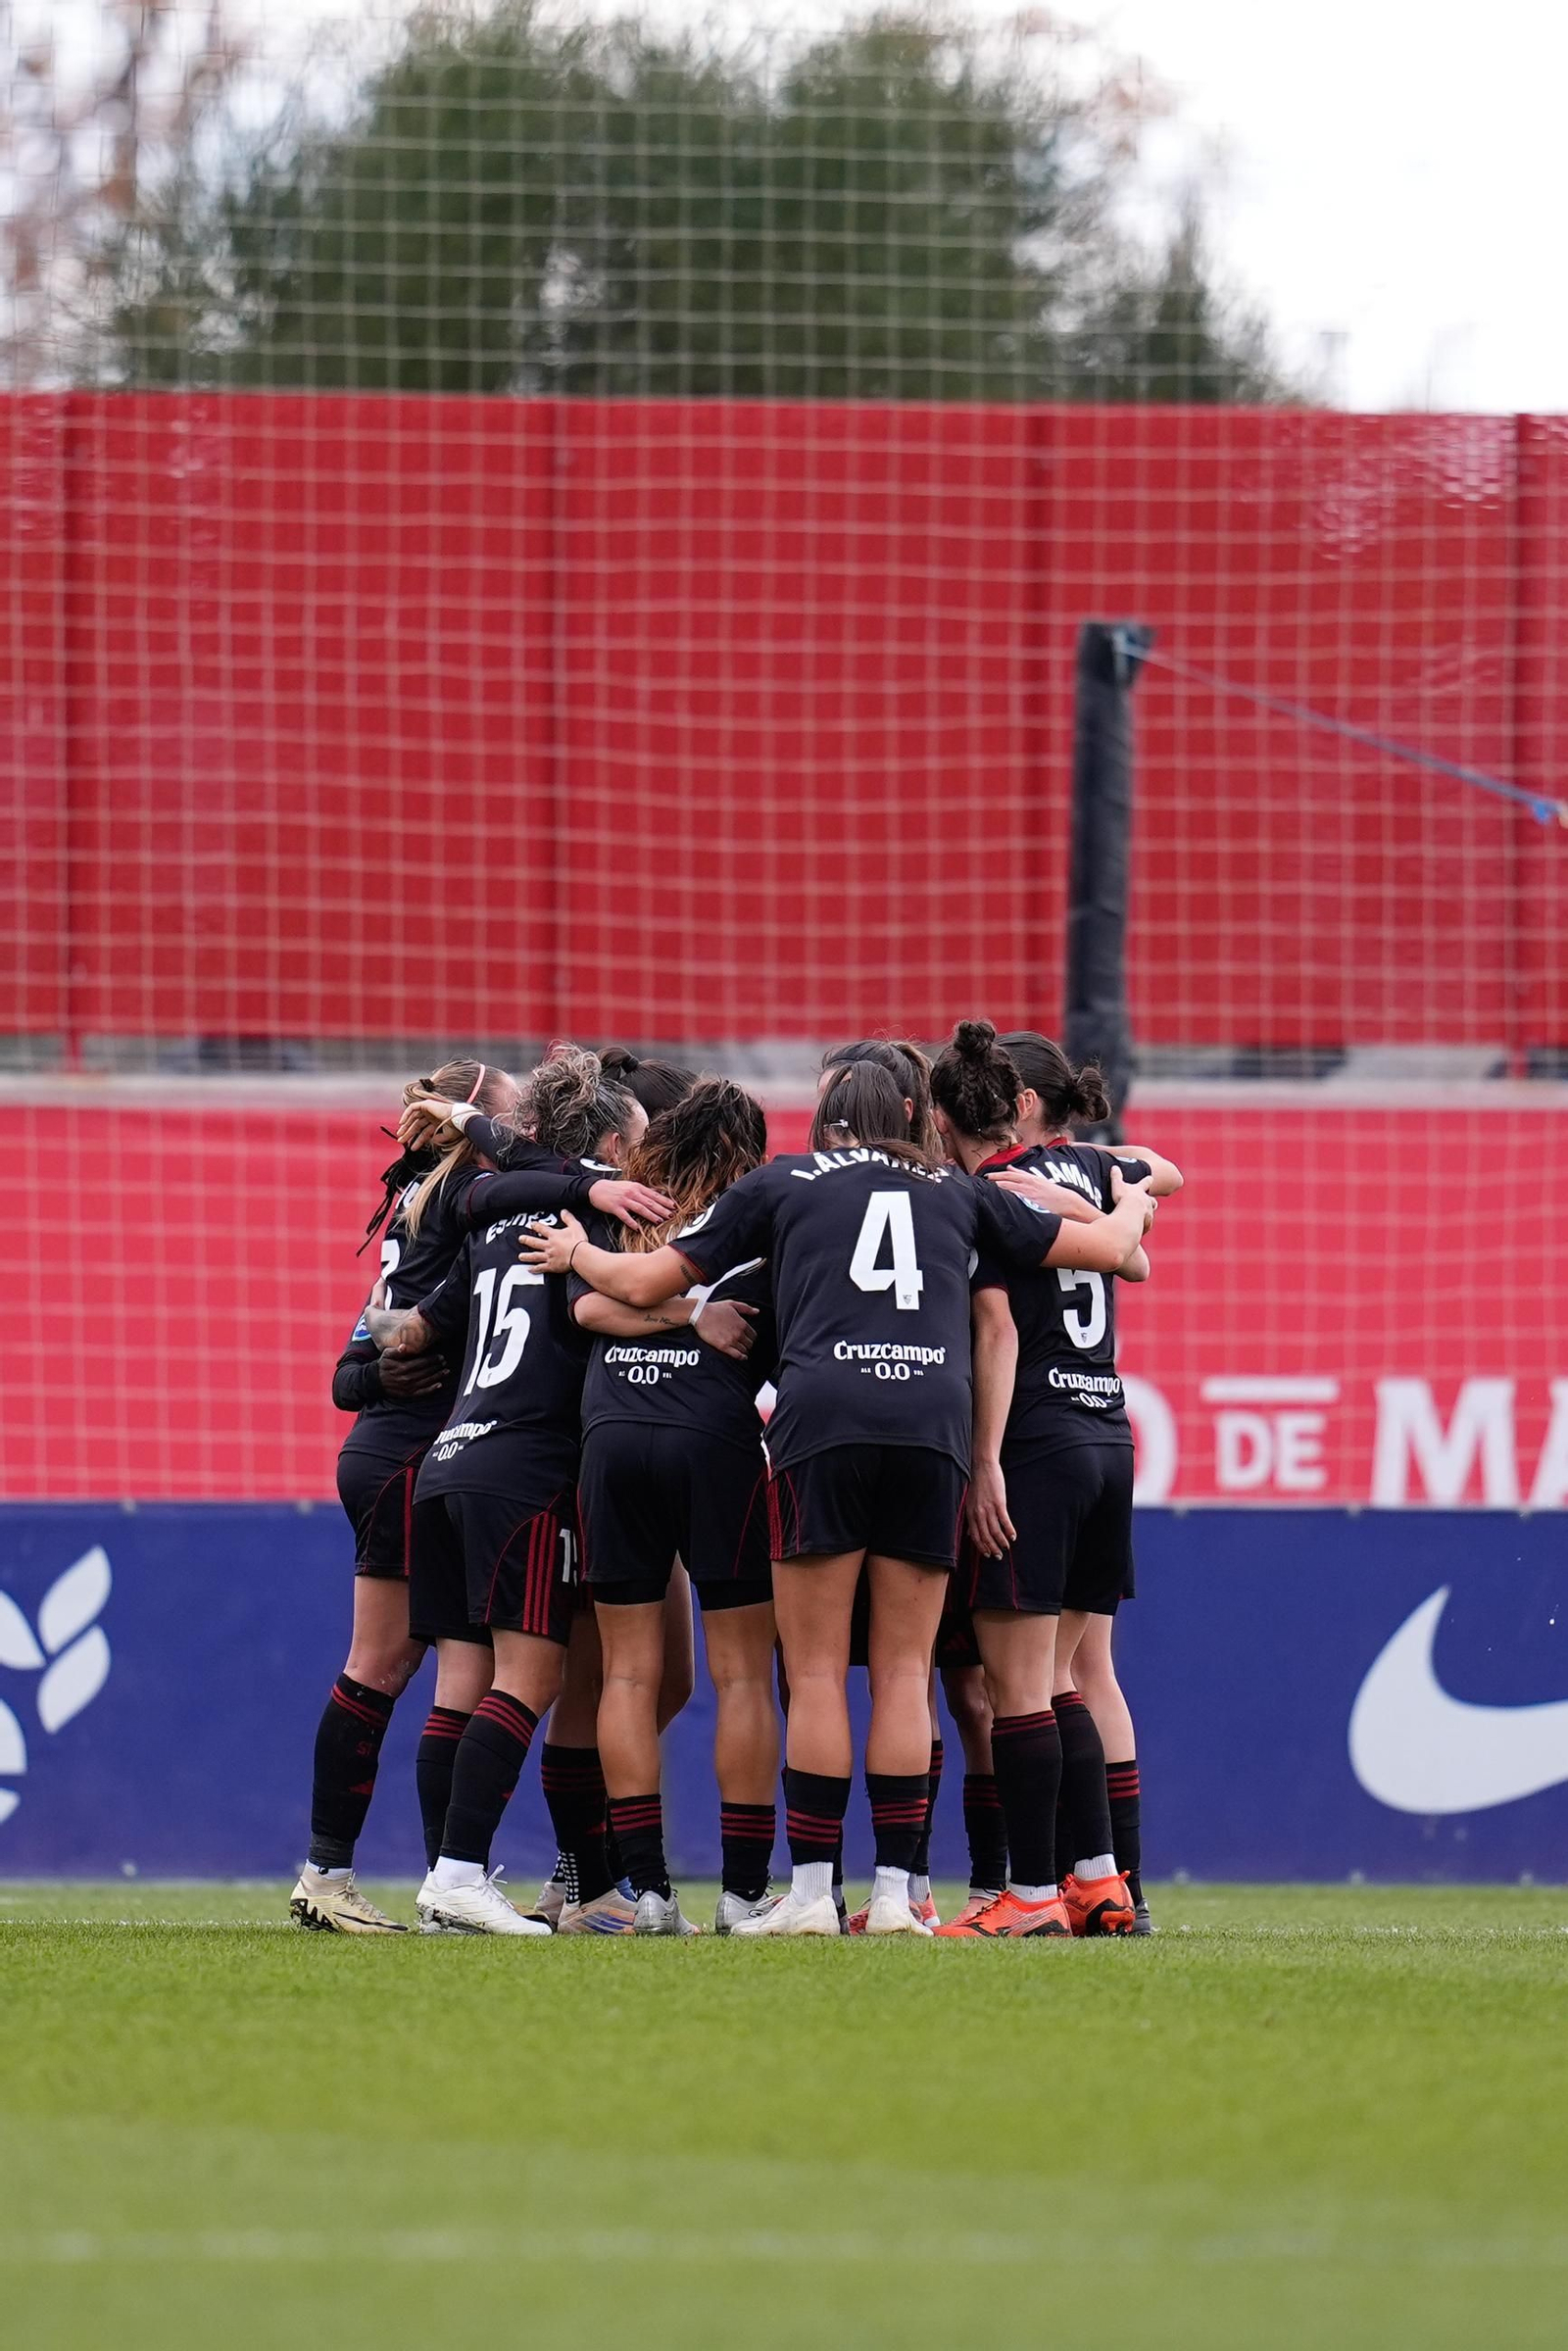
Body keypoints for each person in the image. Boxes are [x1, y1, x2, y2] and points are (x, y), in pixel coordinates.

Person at [521, 1054, 1153, 1937]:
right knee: (905, 1671)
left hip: (821, 1425)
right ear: (908, 1111)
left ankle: (813, 1891)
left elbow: (641, 1284)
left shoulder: (784, 1183)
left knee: (815, 1672)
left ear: (826, 1125)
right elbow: (1111, 1256)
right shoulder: (958, 1189)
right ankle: (900, 1894)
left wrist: (576, 1251)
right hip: (933, 1428)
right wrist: (1131, 1194)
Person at [292, 1057, 666, 1934]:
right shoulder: (473, 1197)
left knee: (461, 1674)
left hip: (441, 1448)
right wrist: (377, 1363)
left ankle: (449, 1881)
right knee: (411, 1666)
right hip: (442, 1453)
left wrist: (377, 1354)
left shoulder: (459, 1208)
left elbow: (393, 1324)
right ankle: (369, 1869)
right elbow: (367, 1356)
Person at [933, 1026, 1175, 1937]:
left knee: (1020, 1685)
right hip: (1109, 1432)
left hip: (1036, 1440)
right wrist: (1130, 1198)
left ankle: (1031, 1895)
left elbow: (994, 1326)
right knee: (1077, 1673)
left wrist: (984, 1459)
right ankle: (1106, 1882)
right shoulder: (1091, 1170)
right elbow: (1139, 1250)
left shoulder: (993, 1192)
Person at [566, 1077, 779, 1934]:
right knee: (740, 1675)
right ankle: (741, 1895)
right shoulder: (763, 1221)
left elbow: (585, 1304)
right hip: (710, 1440)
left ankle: (646, 1894)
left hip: (611, 1439)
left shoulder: (628, 1215)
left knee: (625, 1672)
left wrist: (661, 1311)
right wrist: (697, 1315)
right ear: (743, 1155)